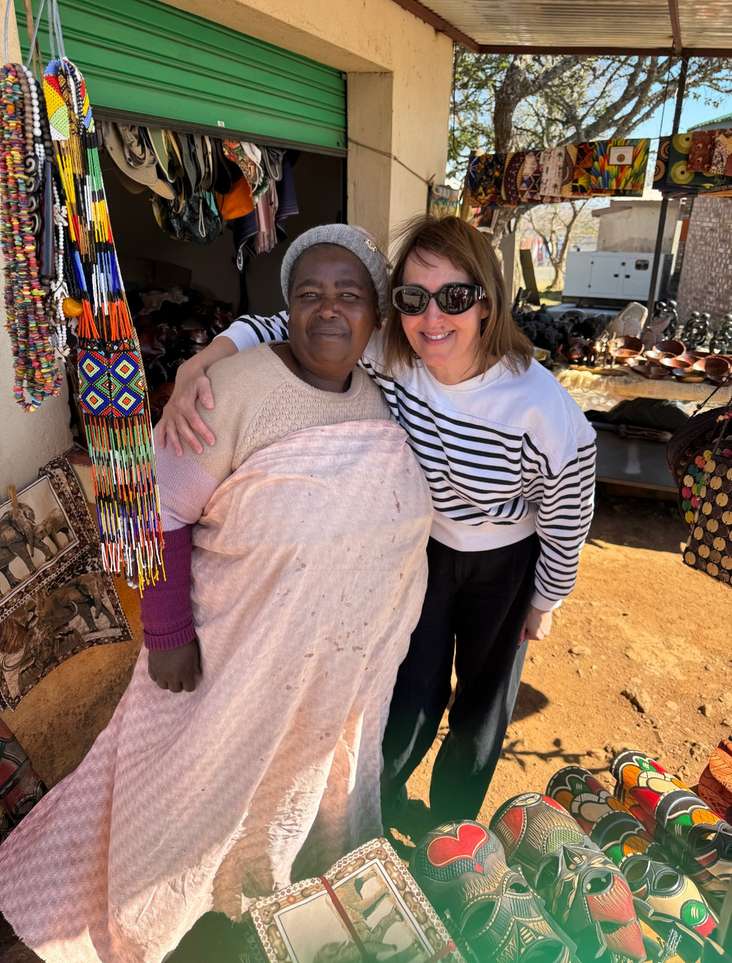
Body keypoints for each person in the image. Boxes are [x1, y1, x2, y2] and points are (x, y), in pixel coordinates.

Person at [0, 225, 433, 963]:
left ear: (376, 316)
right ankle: (142, 920)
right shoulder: (231, 389)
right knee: (181, 805)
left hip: (332, 677)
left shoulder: (382, 395)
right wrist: (167, 630)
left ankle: (250, 903)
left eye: (349, 296)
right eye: (309, 295)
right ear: (285, 310)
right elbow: (159, 509)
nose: (329, 311)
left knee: (278, 808)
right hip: (226, 666)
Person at [158, 215, 597, 827]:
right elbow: (284, 323)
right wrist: (200, 363)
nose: (434, 318)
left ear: (488, 303)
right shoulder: (394, 351)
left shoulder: (541, 407)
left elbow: (568, 514)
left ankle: (455, 829)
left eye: (456, 297)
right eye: (414, 299)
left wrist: (546, 601)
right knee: (411, 690)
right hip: (425, 551)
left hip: (505, 561)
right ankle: (382, 812)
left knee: (483, 703)